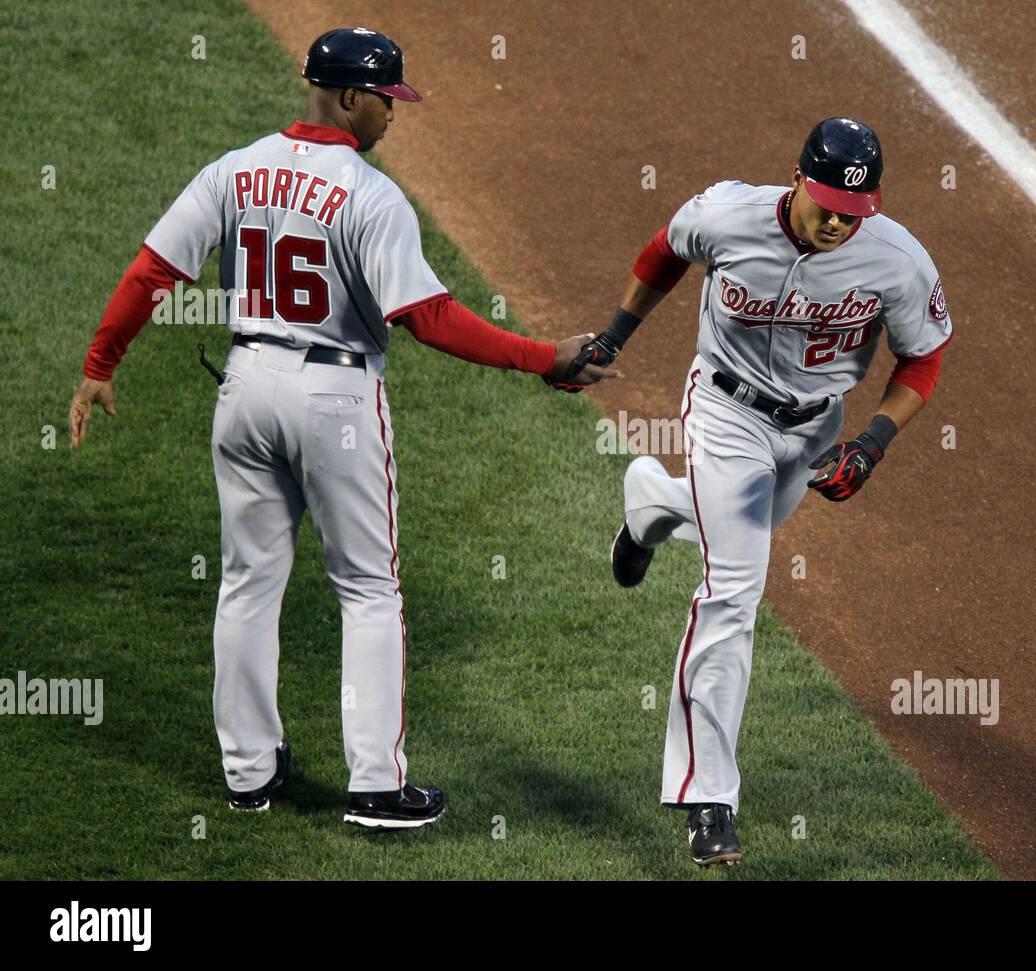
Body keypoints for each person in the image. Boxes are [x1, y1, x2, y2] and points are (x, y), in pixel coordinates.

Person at [67, 26, 616, 830]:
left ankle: (248, 773)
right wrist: (543, 358)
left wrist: (99, 363)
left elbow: (156, 267)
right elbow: (426, 316)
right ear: (352, 97)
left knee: (248, 583)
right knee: (367, 587)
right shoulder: (370, 193)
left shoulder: (235, 168)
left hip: (247, 384)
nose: (394, 115)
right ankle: (375, 788)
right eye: (388, 100)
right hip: (334, 400)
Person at [586, 117, 951, 865]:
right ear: (796, 180)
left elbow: (923, 357)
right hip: (725, 413)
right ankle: (706, 795)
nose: (838, 223)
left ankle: (652, 505)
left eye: (854, 213)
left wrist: (871, 443)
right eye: (825, 206)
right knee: (734, 589)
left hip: (816, 430)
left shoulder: (897, 262)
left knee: (741, 525)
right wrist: (616, 334)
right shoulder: (727, 215)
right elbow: (663, 251)